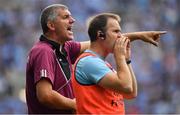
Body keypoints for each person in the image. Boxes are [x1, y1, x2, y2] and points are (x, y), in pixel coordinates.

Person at [26, 4, 166, 114]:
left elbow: (100, 41)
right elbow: (45, 95)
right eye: (65, 17)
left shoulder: (65, 48)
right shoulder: (43, 51)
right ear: (51, 25)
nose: (72, 20)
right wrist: (77, 104)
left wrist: (138, 36)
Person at [72, 13, 165, 114]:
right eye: (116, 31)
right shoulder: (89, 62)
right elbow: (126, 87)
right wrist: (119, 57)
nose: (120, 36)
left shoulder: (102, 64)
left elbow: (131, 93)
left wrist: (126, 60)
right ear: (100, 35)